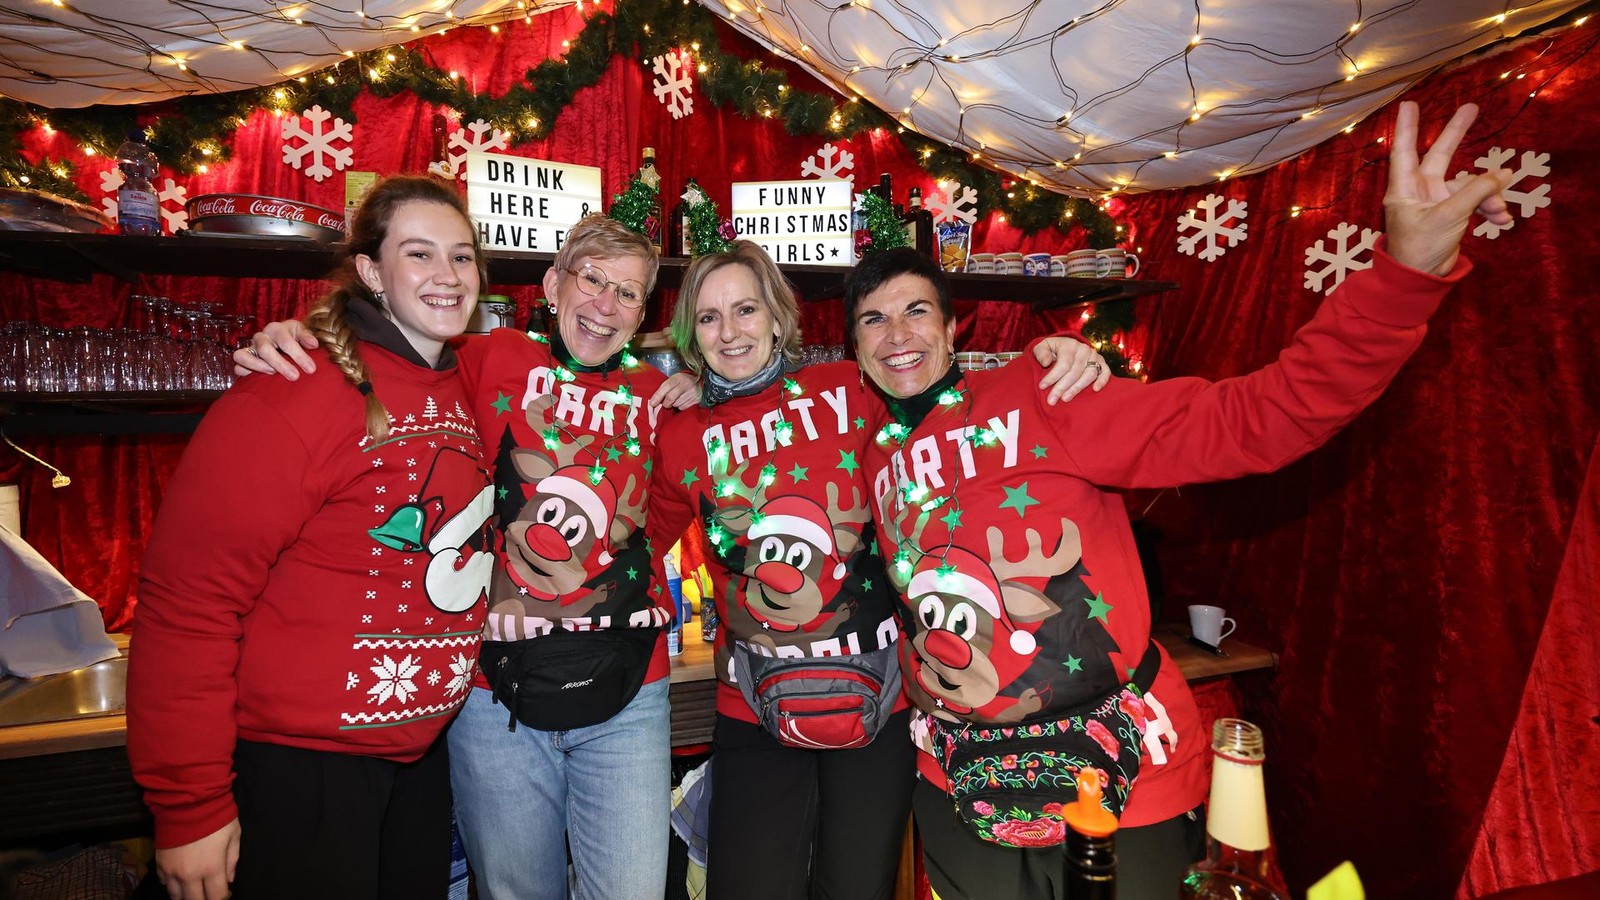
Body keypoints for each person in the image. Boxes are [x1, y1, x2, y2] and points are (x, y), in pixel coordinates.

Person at [842, 101, 1513, 900]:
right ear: (854, 350)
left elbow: (1258, 419)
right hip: (966, 796)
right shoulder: (870, 454)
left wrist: (1403, 279)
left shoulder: (1045, 393)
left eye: (917, 310)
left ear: (954, 331)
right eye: (872, 321)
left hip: (1123, 785)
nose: (896, 334)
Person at [231, 214, 697, 900]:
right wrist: (300, 339)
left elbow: (670, 511)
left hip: (629, 691)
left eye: (627, 293)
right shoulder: (489, 357)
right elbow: (382, 361)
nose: (605, 304)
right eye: (591, 280)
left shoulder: (657, 398)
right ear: (552, 283)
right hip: (492, 694)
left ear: (643, 312)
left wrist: (702, 394)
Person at [646, 240, 1109, 899]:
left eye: (745, 310)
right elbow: (629, 546)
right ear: (693, 331)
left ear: (779, 318)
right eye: (711, 317)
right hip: (752, 709)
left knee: (858, 889)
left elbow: (957, 399)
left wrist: (1050, 357)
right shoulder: (683, 436)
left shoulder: (853, 389)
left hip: (878, 703)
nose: (730, 331)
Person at [128, 174, 496, 900]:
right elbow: (187, 604)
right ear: (370, 271)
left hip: (416, 765)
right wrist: (189, 806)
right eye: (419, 255)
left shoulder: (469, 377)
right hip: (302, 772)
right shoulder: (291, 389)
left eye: (462, 257)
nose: (448, 277)